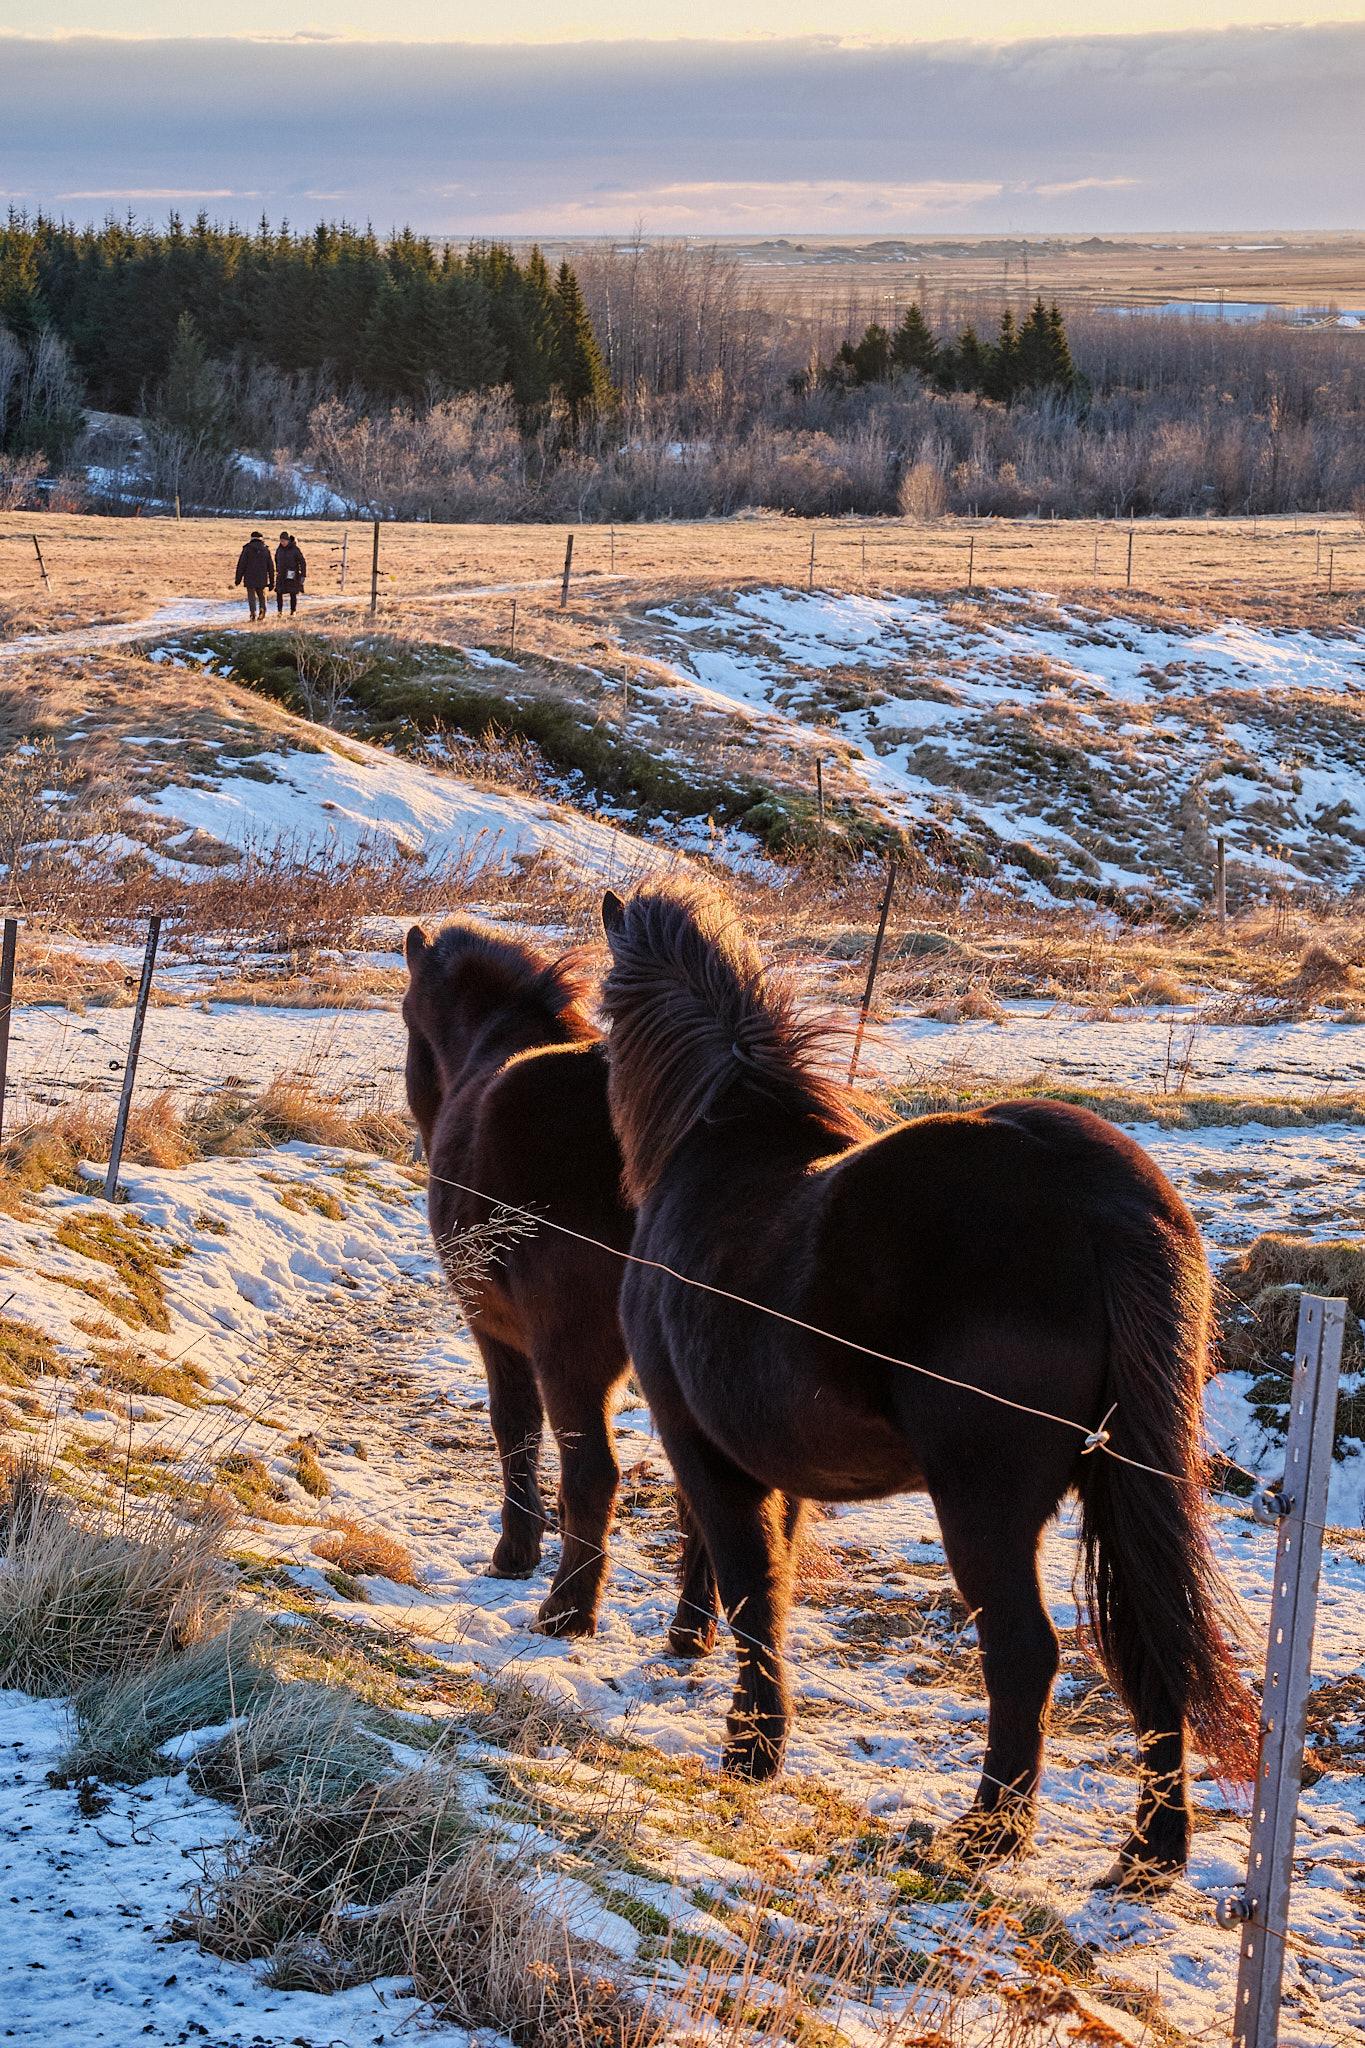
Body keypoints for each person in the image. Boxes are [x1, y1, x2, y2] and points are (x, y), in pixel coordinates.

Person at [234, 531, 274, 620]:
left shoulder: (247, 549)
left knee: (251, 596)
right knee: (262, 596)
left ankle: (253, 613)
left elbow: (241, 564)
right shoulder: (265, 549)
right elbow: (270, 567)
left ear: (251, 538)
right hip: (262, 578)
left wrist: (238, 579)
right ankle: (262, 611)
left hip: (249, 577)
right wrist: (272, 582)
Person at [274, 530, 307, 615]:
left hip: (292, 573)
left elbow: (302, 562)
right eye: (281, 541)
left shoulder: (295, 549)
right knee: (279, 592)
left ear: (288, 540)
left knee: (292, 592)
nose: (282, 543)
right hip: (281, 574)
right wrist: (278, 569)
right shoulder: (279, 549)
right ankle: (279, 611)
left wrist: (303, 574)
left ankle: (293, 611)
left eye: (284, 541)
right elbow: (276, 559)